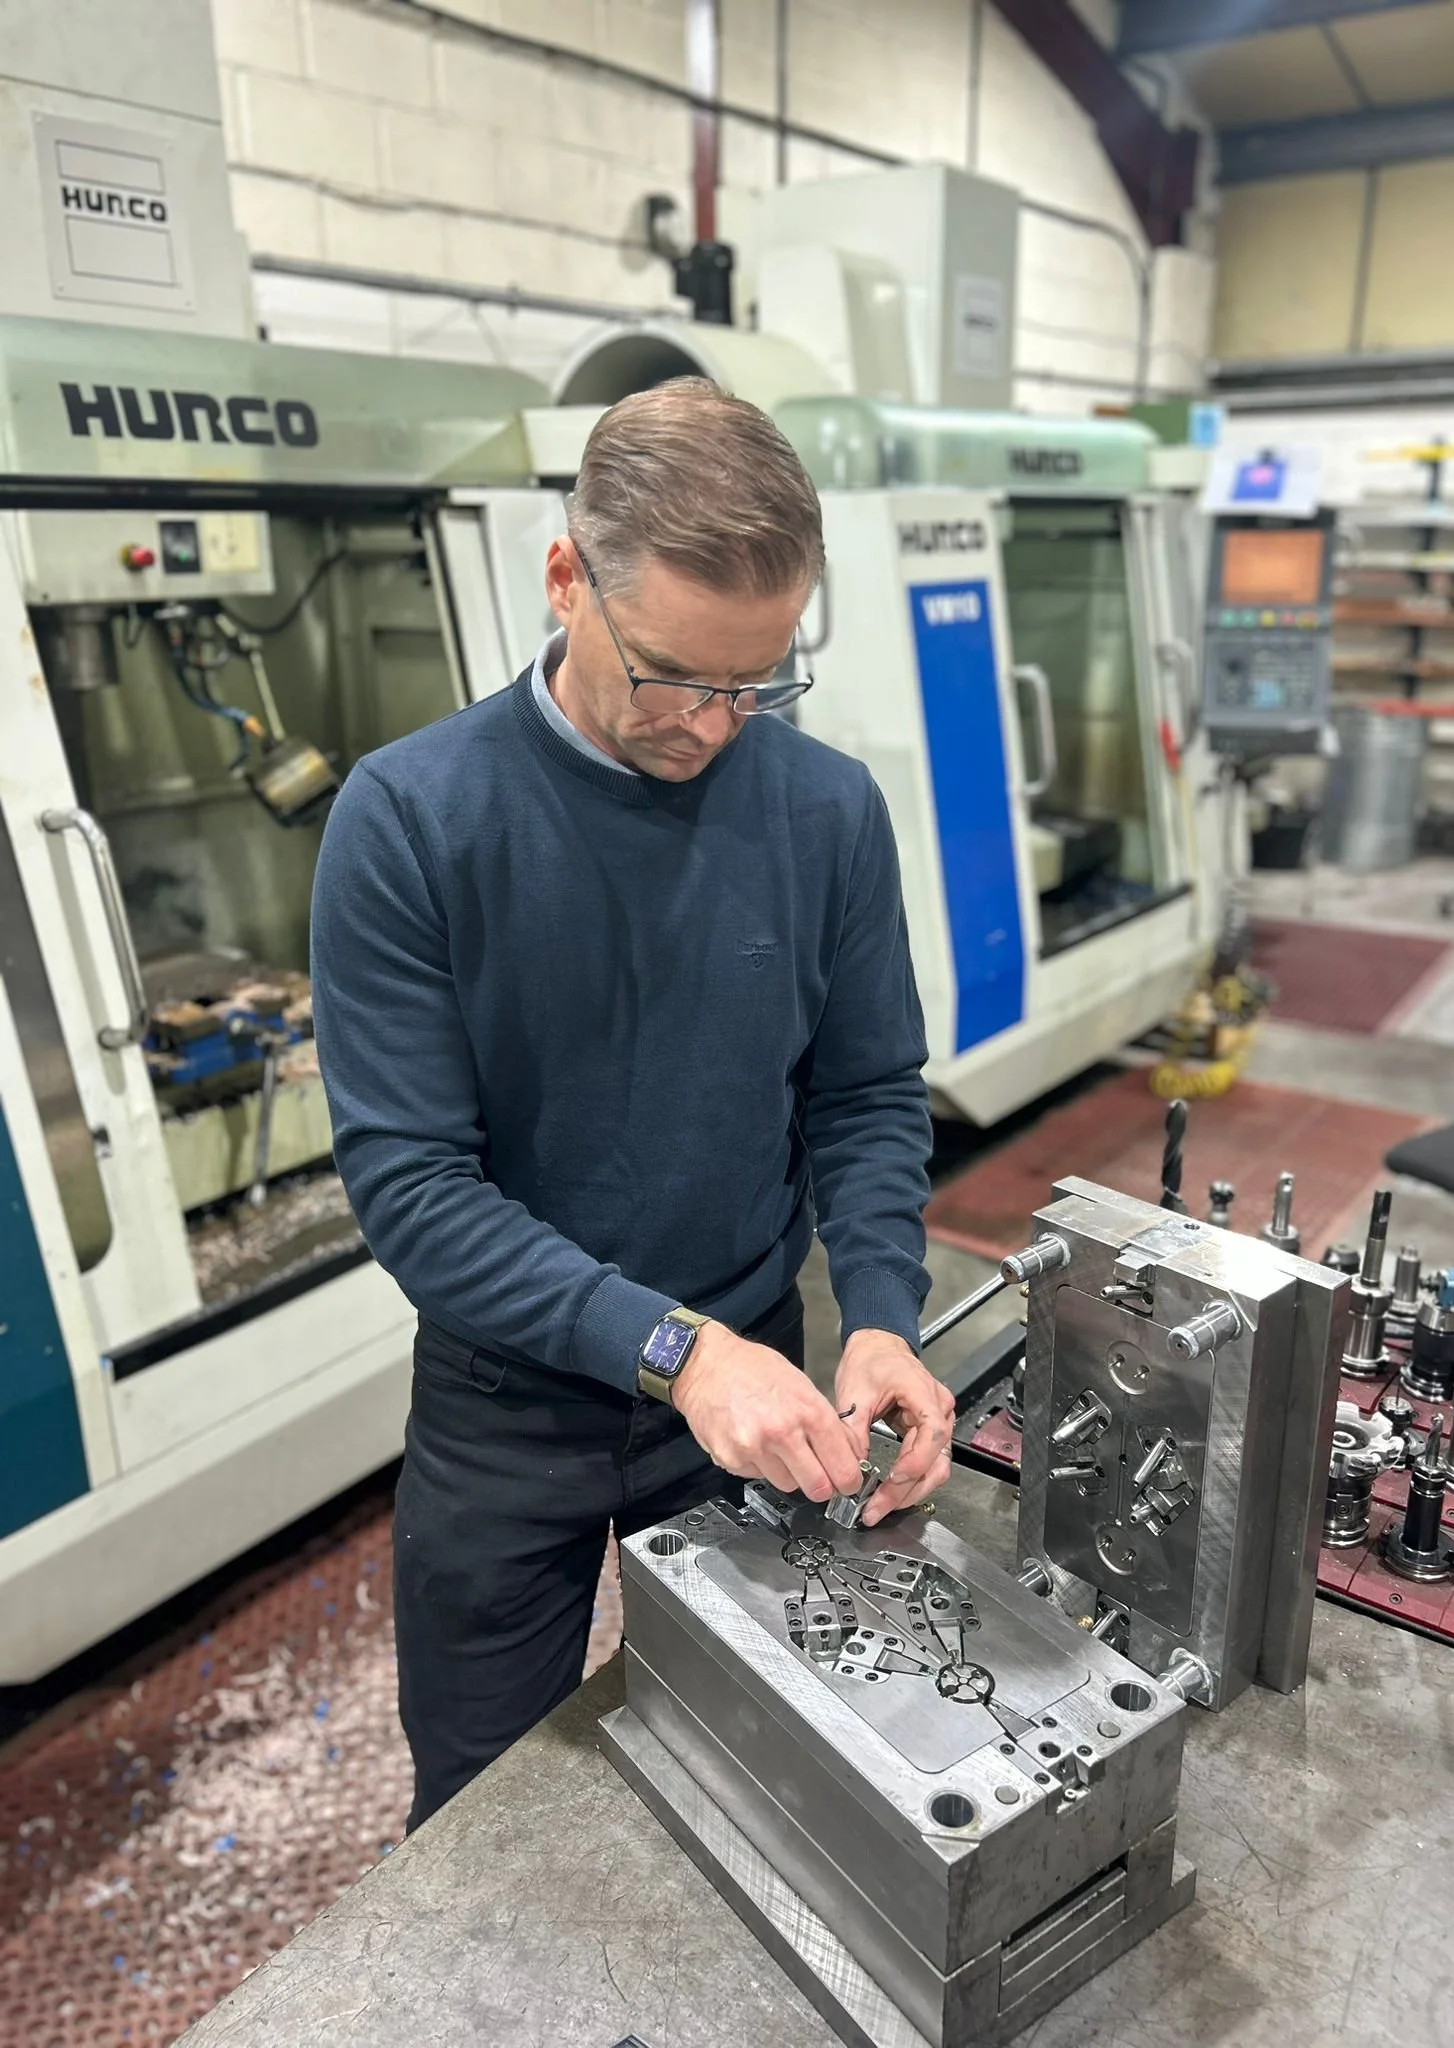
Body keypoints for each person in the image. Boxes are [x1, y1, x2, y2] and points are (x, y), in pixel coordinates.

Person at [310, 377, 951, 1828]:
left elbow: (860, 1095)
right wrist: (675, 1350)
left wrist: (883, 1316)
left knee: (768, 1785)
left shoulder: (828, 812)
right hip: (510, 1406)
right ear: (565, 581)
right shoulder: (412, 822)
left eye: (760, 681)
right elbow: (415, 1191)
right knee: (485, 1816)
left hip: (763, 1396)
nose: (714, 727)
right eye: (674, 675)